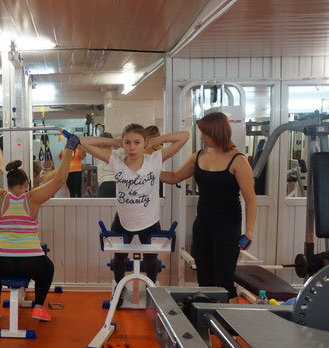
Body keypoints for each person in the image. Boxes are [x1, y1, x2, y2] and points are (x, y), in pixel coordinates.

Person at [0, 133, 79, 321]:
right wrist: (69, 149)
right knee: (48, 268)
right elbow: (59, 180)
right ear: (26, 183)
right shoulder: (33, 198)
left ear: (7, 184)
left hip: (0, 262)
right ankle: (38, 308)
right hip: (32, 262)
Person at [79, 124, 189, 303]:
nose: (131, 148)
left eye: (137, 143)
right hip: (123, 220)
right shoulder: (116, 161)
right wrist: (117, 142)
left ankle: (151, 290)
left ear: (144, 143)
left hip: (149, 221)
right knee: (119, 258)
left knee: (151, 259)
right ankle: (119, 288)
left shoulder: (154, 160)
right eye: (127, 143)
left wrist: (151, 141)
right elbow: (84, 141)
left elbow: (184, 136)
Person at [160, 112, 257, 303]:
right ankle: (208, 317)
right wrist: (144, 168)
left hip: (227, 227)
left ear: (218, 132)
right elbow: (173, 177)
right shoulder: (199, 156)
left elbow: (251, 199)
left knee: (224, 281)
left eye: (206, 133)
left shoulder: (238, 160)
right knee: (204, 279)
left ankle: (231, 320)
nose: (202, 137)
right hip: (202, 225)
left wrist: (249, 231)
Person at [95, 132, 118, 198]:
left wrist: (99, 141)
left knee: (103, 205)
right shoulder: (117, 153)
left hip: (105, 185)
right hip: (117, 184)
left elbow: (86, 143)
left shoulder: (97, 153)